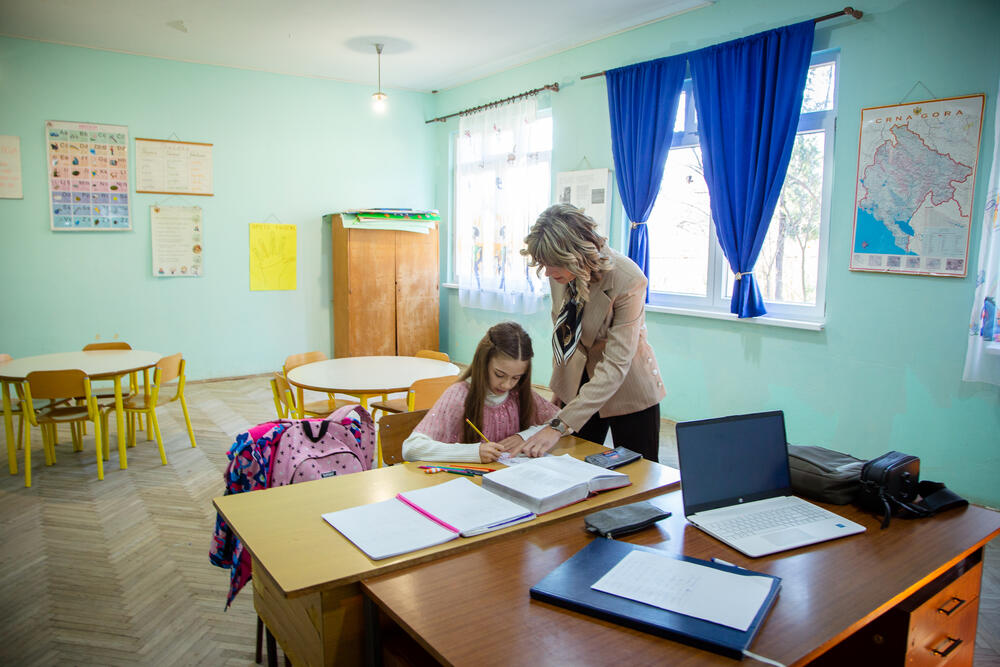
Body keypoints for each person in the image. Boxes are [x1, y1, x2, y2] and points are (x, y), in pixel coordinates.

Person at [509, 204, 665, 461]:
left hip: (628, 385)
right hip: (580, 381)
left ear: (576, 255)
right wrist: (561, 390)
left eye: (552, 265)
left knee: (638, 471)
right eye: (544, 264)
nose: (547, 272)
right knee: (573, 464)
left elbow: (616, 364)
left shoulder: (627, 279)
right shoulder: (558, 271)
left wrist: (558, 425)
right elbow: (565, 333)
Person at [402, 321, 559, 463]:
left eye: (516, 377)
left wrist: (524, 436)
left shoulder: (518, 393)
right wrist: (473, 452)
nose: (507, 385)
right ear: (483, 362)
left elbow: (563, 422)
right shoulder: (459, 395)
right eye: (499, 374)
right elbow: (411, 448)